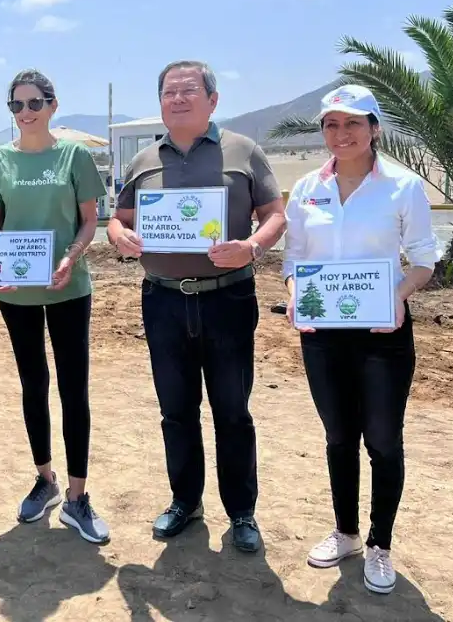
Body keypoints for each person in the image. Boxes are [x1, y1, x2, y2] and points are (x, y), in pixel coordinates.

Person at [107, 60, 286, 552]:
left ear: (213, 99)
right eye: (169, 92)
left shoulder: (242, 152)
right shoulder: (144, 161)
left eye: (189, 91)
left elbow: (275, 214)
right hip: (162, 299)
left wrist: (252, 247)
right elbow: (118, 219)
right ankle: (185, 500)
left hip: (227, 297)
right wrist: (122, 236)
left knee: (233, 410)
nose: (178, 99)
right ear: (160, 102)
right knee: (176, 411)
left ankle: (242, 512)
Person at [283, 84, 438, 594]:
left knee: (383, 441)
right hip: (322, 334)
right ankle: (347, 532)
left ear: (374, 128)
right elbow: (294, 260)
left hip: (382, 333)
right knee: (338, 437)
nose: (341, 133)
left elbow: (422, 260)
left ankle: (380, 544)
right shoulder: (307, 189)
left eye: (353, 123)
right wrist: (294, 296)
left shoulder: (402, 187)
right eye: (331, 124)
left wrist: (400, 295)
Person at [0, 69, 110, 543]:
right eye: (16, 105)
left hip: (68, 288)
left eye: (34, 103)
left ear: (53, 105)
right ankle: (46, 480)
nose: (26, 113)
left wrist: (70, 259)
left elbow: (90, 221)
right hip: (17, 294)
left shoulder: (75, 156)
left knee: (75, 388)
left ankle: (77, 496)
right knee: (33, 383)